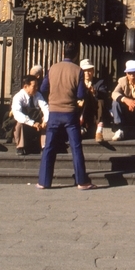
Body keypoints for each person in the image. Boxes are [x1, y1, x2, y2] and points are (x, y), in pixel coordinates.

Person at [37, 43, 96, 190]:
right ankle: (81, 181)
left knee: (49, 146)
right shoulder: (78, 70)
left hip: (54, 112)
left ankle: (44, 181)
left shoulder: (53, 68)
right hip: (70, 113)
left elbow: (43, 88)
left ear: (63, 53)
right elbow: (80, 94)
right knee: (76, 147)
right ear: (76, 55)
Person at [11, 74, 49, 155]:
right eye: (34, 86)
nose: (36, 88)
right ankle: (20, 146)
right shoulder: (18, 97)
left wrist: (45, 121)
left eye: (37, 86)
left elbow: (45, 107)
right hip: (26, 120)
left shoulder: (38, 95)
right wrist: (32, 123)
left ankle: (44, 146)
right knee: (19, 123)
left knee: (46, 121)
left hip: (36, 118)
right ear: (26, 86)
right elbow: (17, 113)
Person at [79, 58, 110, 143]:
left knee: (101, 100)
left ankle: (99, 130)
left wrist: (94, 92)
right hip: (82, 111)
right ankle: (80, 127)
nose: (87, 73)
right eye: (84, 71)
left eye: (89, 70)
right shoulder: (77, 83)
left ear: (93, 71)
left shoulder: (100, 82)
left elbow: (104, 94)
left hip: (95, 110)